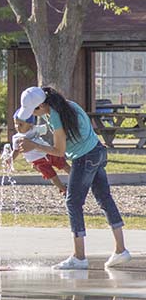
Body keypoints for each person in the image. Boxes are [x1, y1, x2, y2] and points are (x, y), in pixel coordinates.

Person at [16, 86, 132, 270]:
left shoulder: (55, 116)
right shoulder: (67, 105)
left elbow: (59, 151)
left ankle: (79, 257)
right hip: (98, 151)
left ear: (41, 105)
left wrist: (34, 146)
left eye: (33, 111)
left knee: (73, 202)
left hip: (84, 158)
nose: (33, 115)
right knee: (104, 198)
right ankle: (121, 250)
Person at [9, 113, 70, 194]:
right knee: (52, 176)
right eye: (15, 124)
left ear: (30, 125)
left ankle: (78, 177)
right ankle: (63, 189)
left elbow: (47, 127)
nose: (17, 126)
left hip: (49, 152)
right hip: (38, 161)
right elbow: (16, 150)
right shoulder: (16, 138)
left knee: (64, 165)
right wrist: (11, 158)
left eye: (20, 124)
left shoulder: (34, 129)